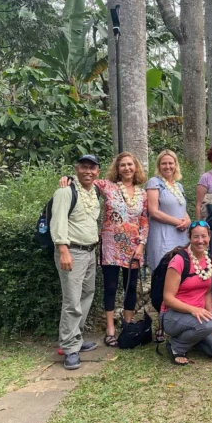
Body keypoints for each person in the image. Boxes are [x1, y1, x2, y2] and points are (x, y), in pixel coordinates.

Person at [58, 152, 149, 348]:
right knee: (110, 287)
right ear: (117, 169)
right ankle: (110, 329)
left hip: (134, 247)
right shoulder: (107, 186)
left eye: (130, 165)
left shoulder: (143, 194)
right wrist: (68, 178)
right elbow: (86, 179)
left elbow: (144, 221)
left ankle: (127, 324)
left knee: (130, 287)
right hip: (110, 246)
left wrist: (142, 244)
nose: (126, 168)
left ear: (136, 168)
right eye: (122, 165)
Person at [51, 155, 102, 370]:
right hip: (72, 251)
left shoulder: (95, 191)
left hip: (90, 252)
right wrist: (63, 250)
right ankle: (69, 348)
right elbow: (58, 221)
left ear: (98, 171)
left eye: (92, 168)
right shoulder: (65, 192)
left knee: (86, 295)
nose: (87, 171)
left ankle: (75, 339)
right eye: (83, 167)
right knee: (72, 300)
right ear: (76, 169)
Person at [161, 221, 212, 365]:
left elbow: (207, 293)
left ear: (209, 237)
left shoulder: (210, 261)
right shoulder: (179, 260)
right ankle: (176, 346)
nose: (200, 241)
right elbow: (168, 298)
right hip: (172, 315)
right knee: (206, 325)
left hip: (200, 317)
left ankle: (194, 339)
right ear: (189, 237)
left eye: (203, 236)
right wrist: (194, 310)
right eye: (196, 237)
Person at [146, 150, 192, 271]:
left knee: (181, 270)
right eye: (164, 163)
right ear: (158, 166)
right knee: (164, 269)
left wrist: (188, 221)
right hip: (163, 235)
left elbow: (182, 208)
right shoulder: (154, 182)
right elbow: (153, 211)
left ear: (176, 165)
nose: (168, 166)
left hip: (181, 235)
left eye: (171, 163)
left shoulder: (178, 186)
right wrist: (177, 222)